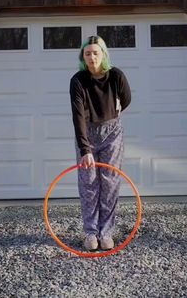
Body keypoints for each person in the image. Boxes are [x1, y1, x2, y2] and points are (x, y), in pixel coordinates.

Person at [69, 35, 131, 251]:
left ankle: (106, 232)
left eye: (96, 52)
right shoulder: (78, 80)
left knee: (110, 182)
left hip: (112, 132)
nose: (92, 57)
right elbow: (77, 116)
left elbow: (126, 99)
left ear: (103, 54)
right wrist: (85, 149)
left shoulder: (116, 76)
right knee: (89, 183)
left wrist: (111, 114)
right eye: (88, 53)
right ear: (83, 57)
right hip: (87, 132)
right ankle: (90, 233)